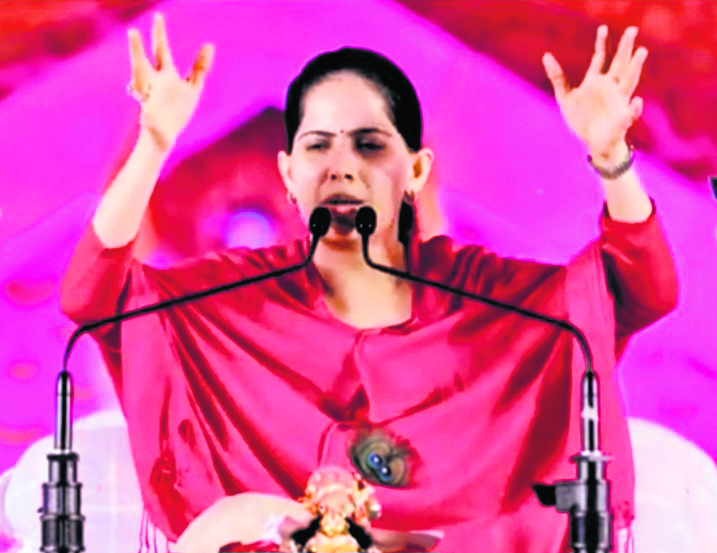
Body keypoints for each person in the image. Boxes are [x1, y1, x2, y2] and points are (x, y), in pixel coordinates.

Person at [60, 12, 678, 553]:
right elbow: (94, 295)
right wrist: (153, 145)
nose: (342, 168)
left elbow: (637, 289)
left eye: (369, 145)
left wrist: (613, 161)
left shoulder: (486, 297)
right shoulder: (234, 301)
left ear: (417, 171)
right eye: (318, 146)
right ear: (289, 175)